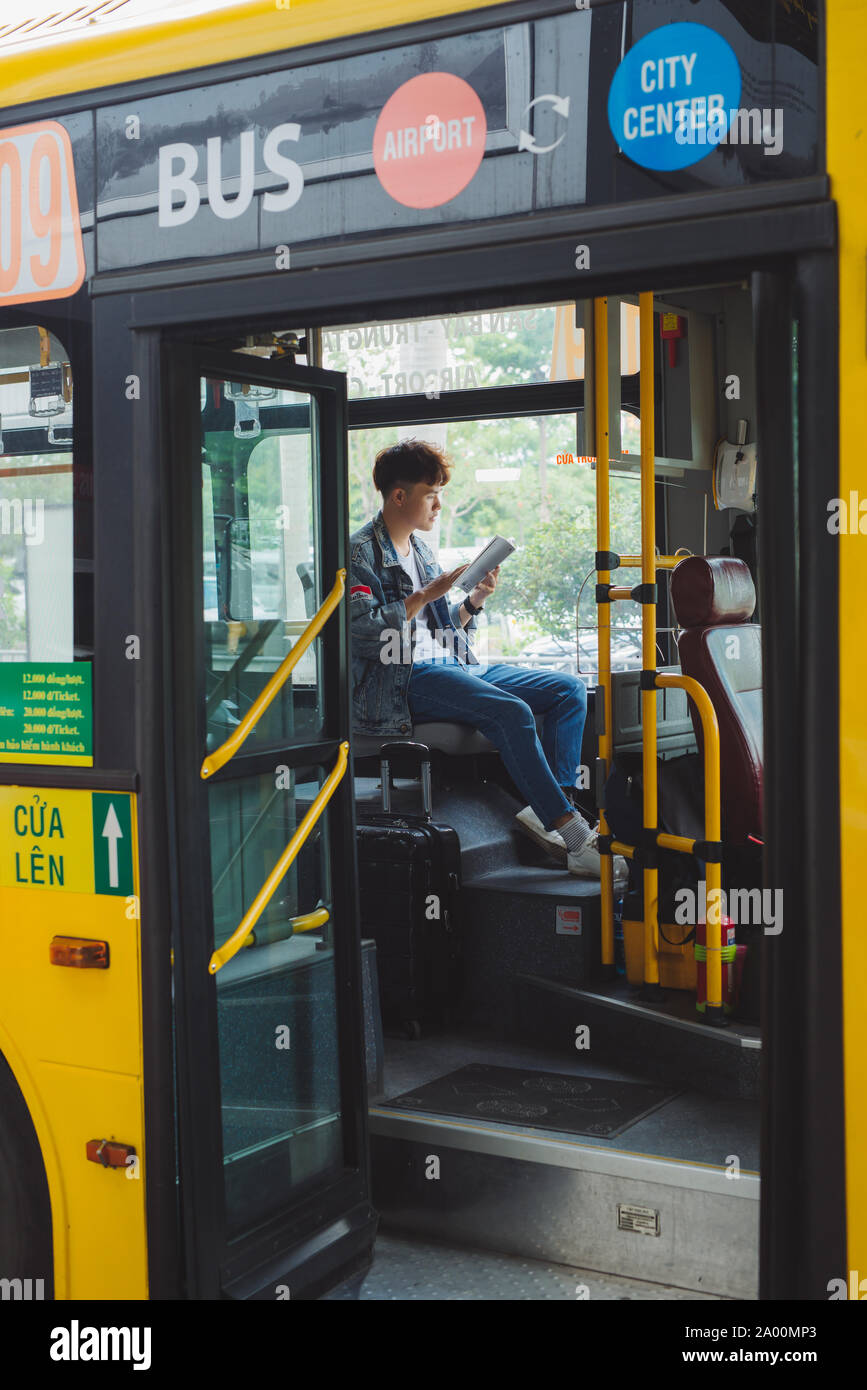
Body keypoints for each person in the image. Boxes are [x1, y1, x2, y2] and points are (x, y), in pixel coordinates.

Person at [349, 439, 627, 881]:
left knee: (568, 690)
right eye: (431, 494)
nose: (438, 505)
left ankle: (552, 811)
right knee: (512, 712)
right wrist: (424, 595)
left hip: (448, 664)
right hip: (400, 674)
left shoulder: (420, 550)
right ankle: (573, 836)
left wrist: (473, 602)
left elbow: (441, 632)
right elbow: (364, 633)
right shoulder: (360, 552)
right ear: (399, 497)